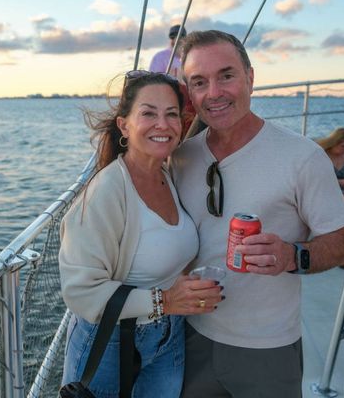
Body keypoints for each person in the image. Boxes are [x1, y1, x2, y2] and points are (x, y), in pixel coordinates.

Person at [170, 30, 344, 398]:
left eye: (226, 75)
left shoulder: (301, 157)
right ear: (189, 92)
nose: (214, 93)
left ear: (250, 78)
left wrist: (293, 255)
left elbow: (342, 243)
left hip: (268, 347)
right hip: (190, 336)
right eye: (199, 82)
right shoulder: (181, 157)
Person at [59, 70, 223, 398]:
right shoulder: (105, 192)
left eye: (171, 114)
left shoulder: (168, 174)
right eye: (148, 113)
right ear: (124, 125)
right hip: (111, 341)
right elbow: (81, 293)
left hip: (168, 333)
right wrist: (165, 300)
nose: (162, 124)